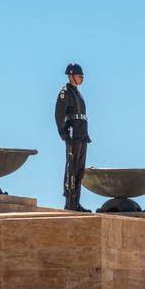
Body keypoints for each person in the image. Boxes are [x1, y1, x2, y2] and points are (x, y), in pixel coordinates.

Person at [54, 63, 90, 212]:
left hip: (82, 134)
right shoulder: (65, 92)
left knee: (80, 169)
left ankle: (77, 202)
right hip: (73, 134)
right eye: (79, 75)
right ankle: (70, 203)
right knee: (72, 168)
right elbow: (59, 115)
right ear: (71, 75)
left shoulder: (78, 94)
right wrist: (64, 135)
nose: (82, 78)